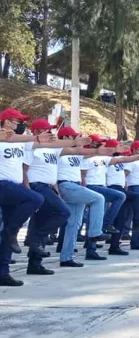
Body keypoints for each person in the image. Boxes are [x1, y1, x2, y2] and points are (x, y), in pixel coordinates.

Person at [23, 120, 98, 272]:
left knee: (41, 221)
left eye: (51, 130)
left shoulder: (53, 150)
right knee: (62, 212)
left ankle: (35, 263)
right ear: (37, 131)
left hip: (49, 187)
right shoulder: (31, 147)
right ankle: (33, 240)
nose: (51, 132)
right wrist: (27, 189)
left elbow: (76, 152)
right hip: (36, 186)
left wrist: (95, 149)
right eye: (47, 130)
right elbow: (24, 170)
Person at [0, 109, 48, 286]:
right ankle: (12, 230)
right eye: (16, 121)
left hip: (14, 188)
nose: (19, 124)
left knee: (7, 231)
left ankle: (3, 272)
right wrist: (34, 138)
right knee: (36, 199)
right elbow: (8, 138)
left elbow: (48, 145)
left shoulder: (21, 142)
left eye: (20, 121)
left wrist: (74, 143)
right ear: (5, 121)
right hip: (3, 184)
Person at [55, 126, 112, 263]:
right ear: (65, 138)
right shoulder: (59, 150)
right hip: (66, 185)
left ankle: (66, 258)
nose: (76, 138)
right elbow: (75, 149)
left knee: (74, 224)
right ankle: (94, 233)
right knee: (99, 198)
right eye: (73, 136)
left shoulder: (76, 154)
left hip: (75, 185)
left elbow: (84, 152)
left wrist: (98, 150)